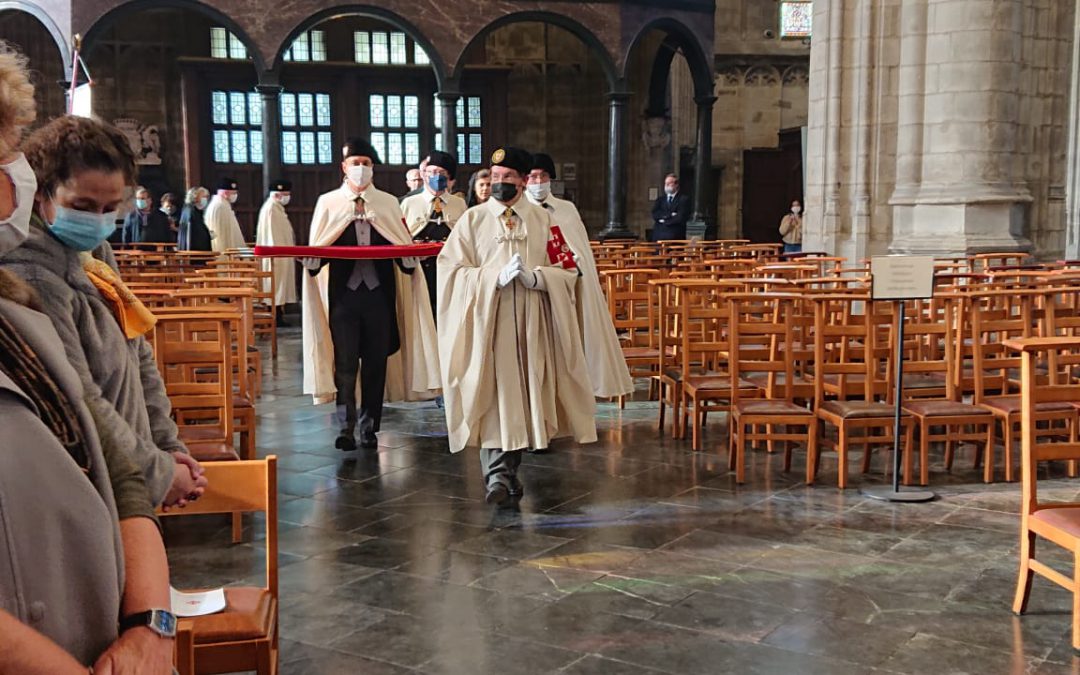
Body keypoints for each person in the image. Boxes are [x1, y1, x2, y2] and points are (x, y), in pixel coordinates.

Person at [0, 46, 175, 673]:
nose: (9, 180)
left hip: (94, 574)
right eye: (3, 158)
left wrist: (151, 623)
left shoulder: (30, 299)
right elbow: (89, 401)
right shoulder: (30, 280)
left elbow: (117, 388)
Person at [1, 114, 206, 510]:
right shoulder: (30, 273)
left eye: (110, 207)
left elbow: (138, 352)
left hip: (130, 467)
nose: (97, 220)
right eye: (82, 205)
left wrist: (167, 448)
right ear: (42, 194)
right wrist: (159, 473)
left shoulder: (93, 253)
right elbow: (78, 395)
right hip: (84, 483)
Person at [438, 146, 596, 506]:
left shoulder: (544, 221)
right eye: (494, 178)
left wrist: (537, 278)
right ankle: (497, 475)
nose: (499, 183)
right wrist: (492, 277)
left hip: (531, 323)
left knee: (524, 397)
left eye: (507, 177)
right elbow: (451, 269)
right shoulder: (473, 220)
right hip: (488, 323)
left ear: (523, 181)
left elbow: (568, 269)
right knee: (495, 395)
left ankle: (507, 473)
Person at [301, 136, 440, 451]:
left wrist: (409, 259)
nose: (361, 169)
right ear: (344, 167)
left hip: (378, 297)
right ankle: (346, 426)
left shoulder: (389, 203)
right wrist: (311, 262)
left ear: (373, 168)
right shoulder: (328, 202)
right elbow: (319, 246)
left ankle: (369, 427)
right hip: (344, 298)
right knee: (346, 364)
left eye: (366, 164)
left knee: (376, 363)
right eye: (355, 164)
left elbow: (400, 244)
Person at [525, 152, 633, 398]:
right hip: (538, 283)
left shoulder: (566, 209)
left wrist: (572, 263)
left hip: (570, 283)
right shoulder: (521, 212)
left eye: (543, 176)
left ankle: (576, 385)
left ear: (550, 179)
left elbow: (577, 246)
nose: (538, 181)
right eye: (532, 176)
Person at [400, 150, 467, 320]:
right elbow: (400, 236)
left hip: (450, 272)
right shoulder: (409, 203)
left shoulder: (458, 204)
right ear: (424, 174)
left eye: (441, 173)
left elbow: (465, 238)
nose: (436, 176)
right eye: (431, 172)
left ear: (449, 177)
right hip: (419, 271)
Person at [256, 178, 297, 325]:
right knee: (276, 285)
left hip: (282, 254)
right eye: (286, 194)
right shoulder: (271, 209)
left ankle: (278, 314)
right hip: (276, 256)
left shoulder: (276, 208)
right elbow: (273, 236)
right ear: (278, 194)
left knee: (279, 285)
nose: (288, 197)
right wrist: (279, 254)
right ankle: (275, 316)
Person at [204, 176, 245, 252]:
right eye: (234, 193)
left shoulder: (223, 204)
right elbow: (223, 235)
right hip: (224, 250)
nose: (235, 195)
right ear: (225, 193)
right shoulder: (220, 206)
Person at [651, 173, 691, 241]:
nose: (666, 185)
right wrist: (670, 215)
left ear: (676, 185)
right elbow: (655, 214)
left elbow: (680, 217)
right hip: (659, 235)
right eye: (666, 183)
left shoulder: (683, 199)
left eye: (669, 183)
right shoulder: (660, 199)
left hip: (675, 235)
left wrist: (663, 221)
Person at [178, 186, 212, 251]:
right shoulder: (190, 212)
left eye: (207, 197)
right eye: (203, 196)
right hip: (194, 253)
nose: (206, 199)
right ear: (195, 197)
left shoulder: (197, 212)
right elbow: (191, 234)